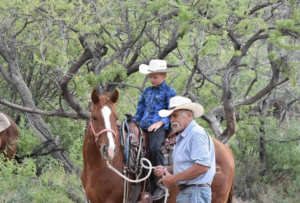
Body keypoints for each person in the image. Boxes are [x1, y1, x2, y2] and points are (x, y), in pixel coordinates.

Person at [154, 96, 216, 203]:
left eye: (175, 116)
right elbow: (188, 163)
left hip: (194, 194)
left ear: (188, 116)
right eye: (170, 117)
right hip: (191, 193)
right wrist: (167, 169)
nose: (172, 120)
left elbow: (203, 166)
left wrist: (173, 179)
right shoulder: (185, 135)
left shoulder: (195, 133)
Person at [133, 59, 176, 200]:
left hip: (159, 126)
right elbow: (140, 110)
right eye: (150, 77)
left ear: (164, 76)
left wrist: (160, 123)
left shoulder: (170, 92)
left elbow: (172, 112)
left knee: (154, 147)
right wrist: (133, 122)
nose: (152, 79)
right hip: (144, 126)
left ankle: (160, 184)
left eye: (155, 77)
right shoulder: (147, 92)